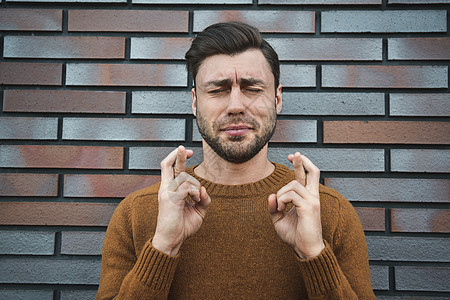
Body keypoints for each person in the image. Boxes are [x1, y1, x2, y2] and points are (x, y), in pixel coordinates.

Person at [96, 21, 376, 299]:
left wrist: (314, 253)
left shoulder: (329, 211)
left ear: (277, 99)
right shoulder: (136, 214)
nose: (235, 106)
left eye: (253, 88)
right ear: (195, 102)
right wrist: (162, 247)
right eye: (217, 90)